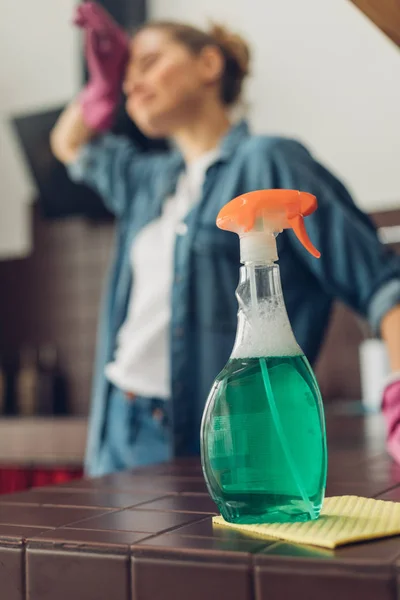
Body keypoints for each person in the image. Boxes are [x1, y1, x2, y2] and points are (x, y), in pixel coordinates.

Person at [51, 3, 400, 477]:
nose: (131, 83)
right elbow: (70, 144)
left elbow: (384, 287)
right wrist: (100, 86)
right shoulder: (148, 181)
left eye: (149, 62)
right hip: (120, 426)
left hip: (226, 435)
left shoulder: (269, 162)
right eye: (124, 77)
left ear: (209, 64)